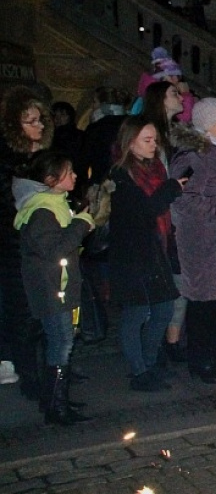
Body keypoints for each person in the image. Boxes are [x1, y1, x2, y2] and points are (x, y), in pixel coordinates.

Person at [15, 150, 102, 424]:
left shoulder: (57, 203)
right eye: (69, 173)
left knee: (61, 342)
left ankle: (55, 399)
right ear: (52, 179)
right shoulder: (42, 211)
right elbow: (55, 250)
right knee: (60, 344)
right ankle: (56, 407)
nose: (75, 176)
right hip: (51, 290)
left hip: (59, 287)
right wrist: (81, 224)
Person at [169, 98, 216, 384]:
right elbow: (181, 200)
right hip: (204, 243)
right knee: (205, 303)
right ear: (207, 126)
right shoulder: (192, 158)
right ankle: (201, 360)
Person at [108, 118, 185, 392]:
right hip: (132, 255)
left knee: (164, 308)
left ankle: (150, 363)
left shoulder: (155, 168)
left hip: (155, 249)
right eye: (147, 140)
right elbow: (144, 211)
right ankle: (139, 371)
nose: (154, 145)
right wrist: (172, 188)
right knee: (136, 313)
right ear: (130, 143)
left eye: (155, 140)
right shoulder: (120, 176)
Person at [0, 87, 53, 400]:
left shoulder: (44, 156)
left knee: (49, 312)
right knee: (24, 313)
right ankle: (28, 373)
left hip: (45, 246)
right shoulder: (9, 160)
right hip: (16, 247)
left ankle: (53, 369)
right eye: (31, 121)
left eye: (40, 120)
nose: (39, 126)